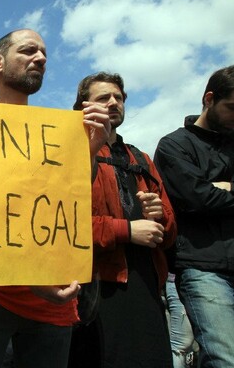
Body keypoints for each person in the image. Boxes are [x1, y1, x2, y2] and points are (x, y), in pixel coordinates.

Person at [0, 29, 111, 368]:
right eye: (29, 50)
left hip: (54, 299)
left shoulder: (61, 134)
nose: (41, 58)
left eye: (45, 54)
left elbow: (68, 199)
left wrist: (90, 151)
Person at [69, 72, 176, 368]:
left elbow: (170, 234)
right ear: (83, 106)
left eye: (119, 97)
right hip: (96, 286)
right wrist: (127, 230)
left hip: (146, 284)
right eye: (103, 98)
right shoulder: (69, 155)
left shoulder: (140, 158)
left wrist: (159, 217)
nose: (113, 102)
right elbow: (64, 227)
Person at [154, 65, 234, 368]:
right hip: (202, 267)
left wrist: (219, 189)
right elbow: (197, 196)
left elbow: (205, 194)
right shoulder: (175, 145)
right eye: (232, 107)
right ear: (209, 98)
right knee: (224, 358)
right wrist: (211, 191)